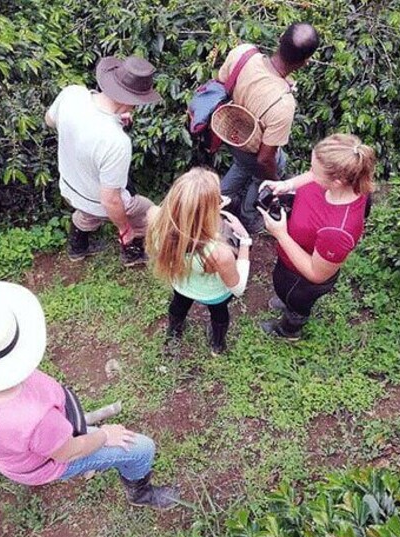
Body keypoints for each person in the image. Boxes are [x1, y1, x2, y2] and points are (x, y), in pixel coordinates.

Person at [0, 281, 178, 509]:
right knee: (142, 448)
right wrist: (104, 435)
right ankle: (140, 494)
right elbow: (70, 451)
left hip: (6, 453)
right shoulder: (34, 419)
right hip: (45, 461)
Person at [46, 55, 162, 265]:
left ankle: (77, 247)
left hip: (70, 188)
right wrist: (124, 228)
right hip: (99, 201)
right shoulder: (116, 142)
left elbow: (50, 120)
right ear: (132, 101)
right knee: (148, 211)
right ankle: (132, 252)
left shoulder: (72, 94)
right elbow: (110, 200)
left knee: (87, 212)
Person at [258, 133, 376, 340]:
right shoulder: (349, 180)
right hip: (291, 261)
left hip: (302, 279)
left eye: (314, 169)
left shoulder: (338, 231)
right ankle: (287, 301)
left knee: (298, 304)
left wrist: (281, 235)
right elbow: (312, 176)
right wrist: (289, 185)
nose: (310, 172)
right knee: (285, 291)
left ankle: (289, 330)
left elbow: (316, 274)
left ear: (337, 181)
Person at [217, 23, 320, 233]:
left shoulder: (243, 53)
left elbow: (220, 84)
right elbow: (265, 159)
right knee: (276, 163)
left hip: (229, 132)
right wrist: (276, 183)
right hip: (251, 147)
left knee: (243, 165)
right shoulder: (283, 105)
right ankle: (248, 215)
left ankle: (213, 202)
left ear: (280, 38)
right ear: (305, 61)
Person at [146, 168, 252, 356]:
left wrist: (211, 208)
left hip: (181, 283)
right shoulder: (219, 253)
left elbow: (187, 222)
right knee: (219, 314)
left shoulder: (154, 218)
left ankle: (173, 333)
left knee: (178, 306)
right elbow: (238, 289)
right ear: (208, 214)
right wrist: (244, 241)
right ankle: (217, 345)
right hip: (214, 294)